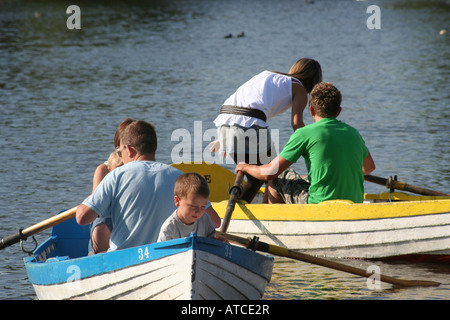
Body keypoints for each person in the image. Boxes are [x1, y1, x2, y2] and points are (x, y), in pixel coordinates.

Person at [235, 82, 376, 205]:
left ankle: (274, 224)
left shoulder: (304, 133)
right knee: (303, 178)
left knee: (278, 177)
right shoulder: (353, 133)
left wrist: (245, 167)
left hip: (318, 204)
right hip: (353, 204)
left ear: (311, 110)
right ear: (338, 111)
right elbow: (369, 167)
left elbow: (269, 173)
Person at [211, 58, 323, 203]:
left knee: (254, 178)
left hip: (224, 121)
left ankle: (240, 210)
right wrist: (313, 145)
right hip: (248, 123)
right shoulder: (299, 88)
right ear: (313, 81)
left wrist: (224, 138)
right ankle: (263, 213)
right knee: (274, 174)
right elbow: (297, 124)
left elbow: (243, 103)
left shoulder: (271, 75)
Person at [76, 120, 185, 251]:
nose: (121, 158)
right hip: (167, 254)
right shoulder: (181, 177)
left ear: (129, 150)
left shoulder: (116, 175)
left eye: (120, 153)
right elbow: (215, 222)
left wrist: (91, 201)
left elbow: (81, 218)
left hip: (123, 258)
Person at [88, 118, 135, 254]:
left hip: (130, 212)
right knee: (100, 229)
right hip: (107, 215)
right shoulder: (104, 169)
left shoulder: (138, 165)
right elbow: (97, 203)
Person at [158, 173, 215, 242]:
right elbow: (163, 251)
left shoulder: (205, 220)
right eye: (193, 206)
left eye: (203, 207)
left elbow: (212, 240)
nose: (198, 211)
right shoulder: (169, 228)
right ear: (177, 201)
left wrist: (218, 242)